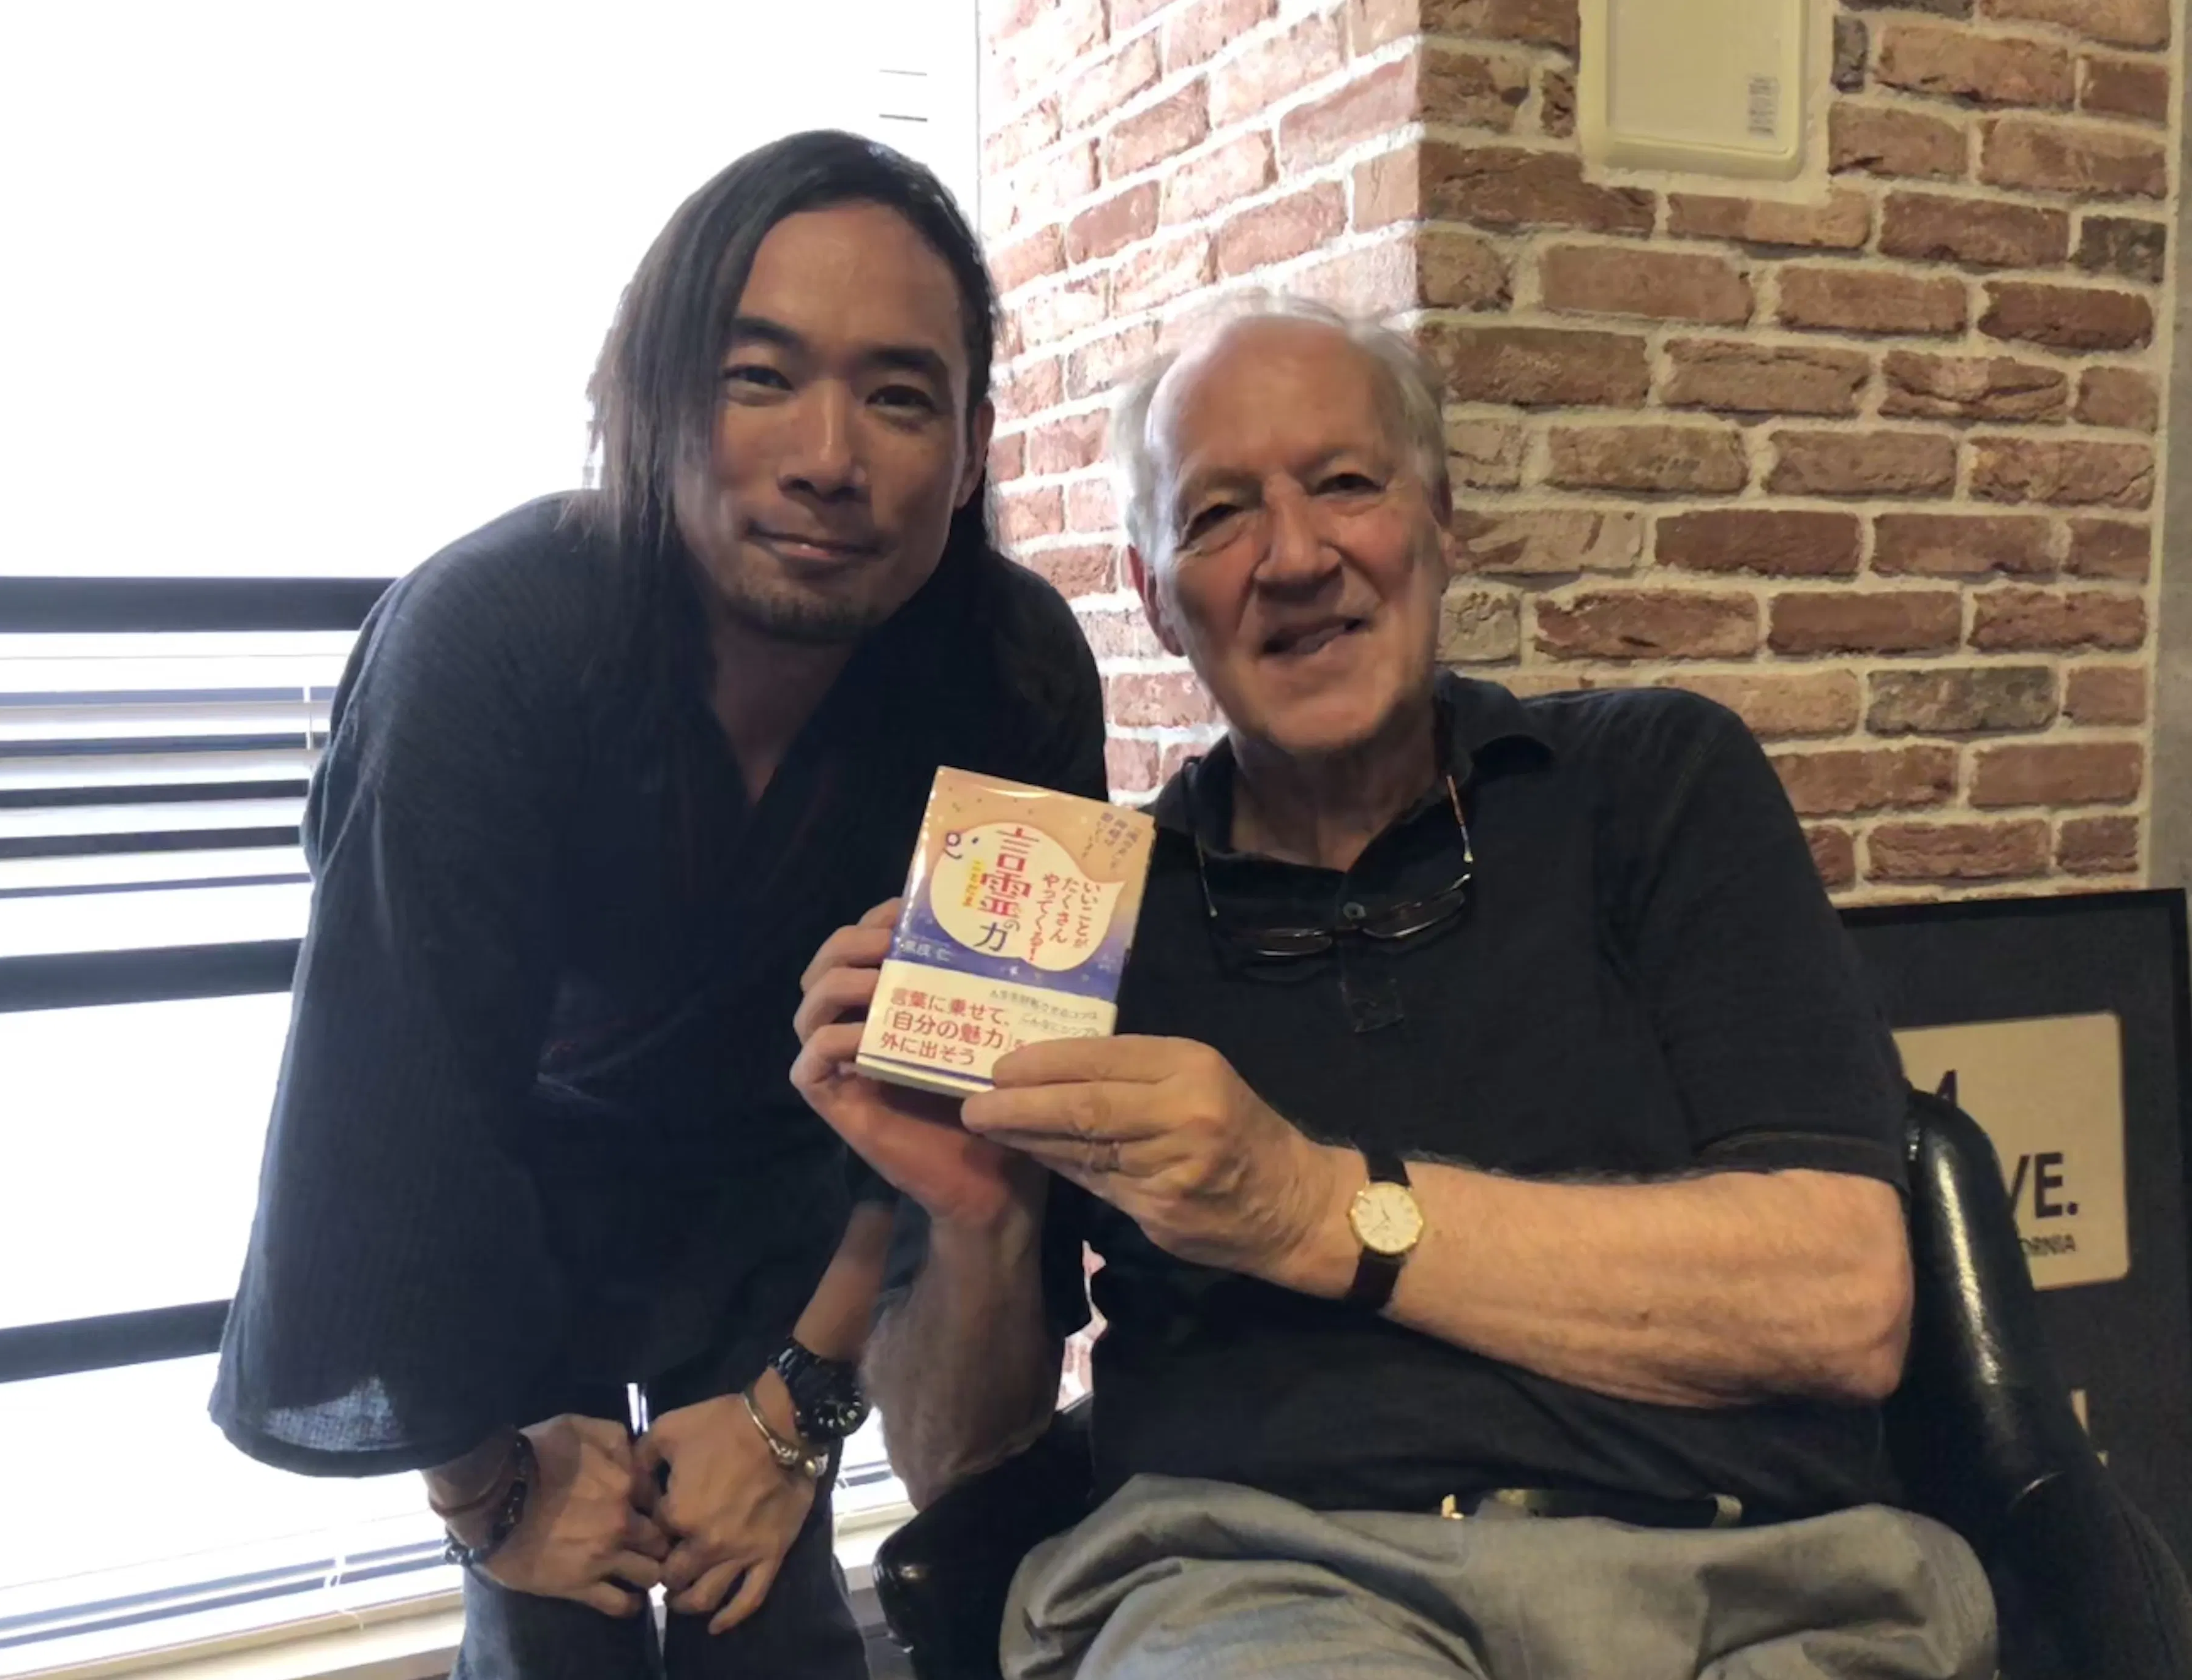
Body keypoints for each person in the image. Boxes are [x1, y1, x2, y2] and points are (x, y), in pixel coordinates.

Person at [792, 302, 1998, 1679]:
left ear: (1440, 522)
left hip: (1766, 1586)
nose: (1295, 557)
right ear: (1155, 596)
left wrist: (1302, 1204)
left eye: (1345, 483)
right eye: (1217, 516)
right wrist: (978, 1221)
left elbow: (1842, 1305)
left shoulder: (1656, 783)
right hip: (1265, 1590)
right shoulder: (1091, 922)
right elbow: (958, 1470)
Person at [209, 130, 1106, 1680]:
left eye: (900, 397)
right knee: (555, 1619)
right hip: (516, 1191)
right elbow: (399, 1103)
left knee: (771, 1618)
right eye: (758, 377)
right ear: (646, 398)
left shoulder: (1011, 673)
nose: (827, 457)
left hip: (809, 1189)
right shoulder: (488, 642)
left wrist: (799, 1403)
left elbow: (957, 1124)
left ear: (971, 449)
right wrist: (485, 1490)